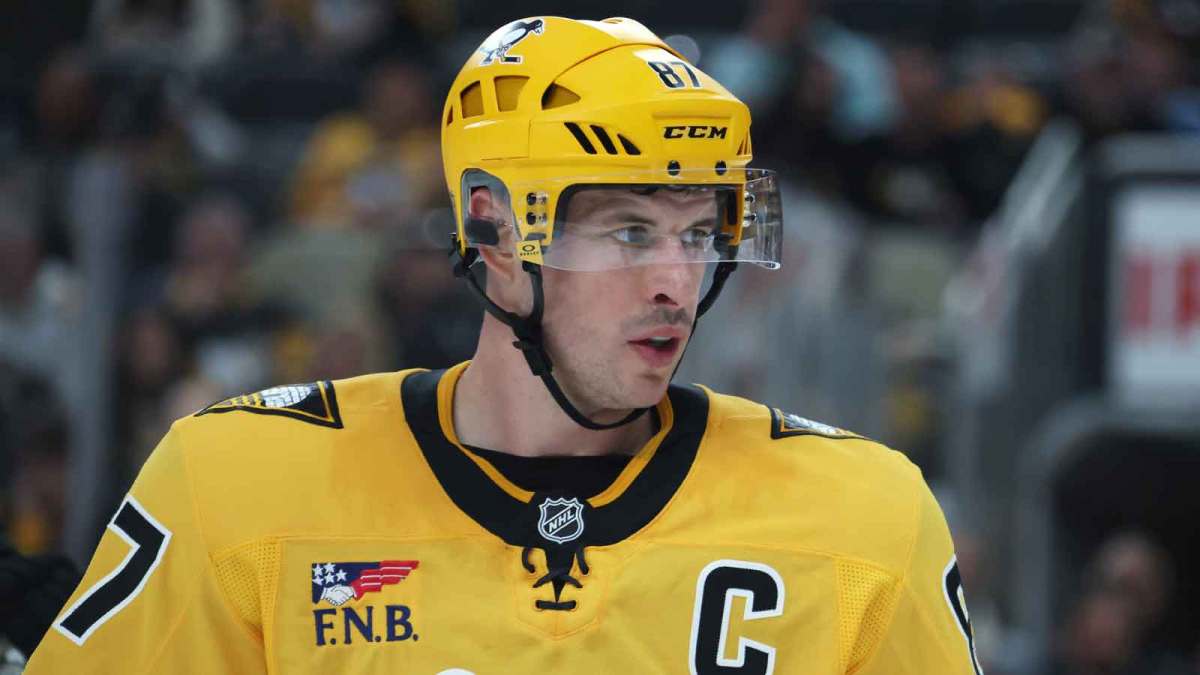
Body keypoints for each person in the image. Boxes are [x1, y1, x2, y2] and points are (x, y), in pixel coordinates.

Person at [24, 17, 981, 673]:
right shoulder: (235, 485)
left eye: (698, 233)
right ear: (491, 227)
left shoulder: (863, 517)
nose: (676, 282)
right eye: (629, 230)